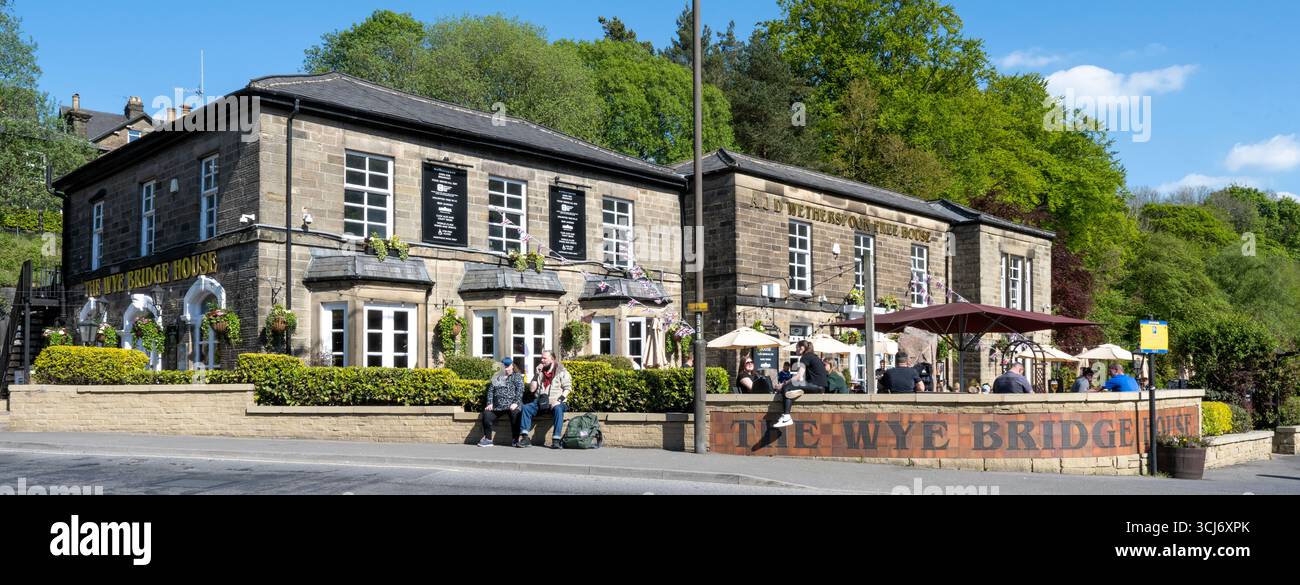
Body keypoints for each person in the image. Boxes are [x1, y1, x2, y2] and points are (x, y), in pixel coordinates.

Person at [519, 350, 573, 448]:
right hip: (541, 401)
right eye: (541, 358)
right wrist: (536, 374)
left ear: (552, 359)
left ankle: (556, 440)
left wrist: (559, 400)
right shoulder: (540, 372)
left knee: (558, 409)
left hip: (556, 402)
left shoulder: (562, 371)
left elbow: (568, 388)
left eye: (544, 358)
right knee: (526, 408)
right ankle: (525, 438)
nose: (542, 360)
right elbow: (532, 389)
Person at [774, 340, 827, 428]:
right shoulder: (813, 356)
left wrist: (783, 385)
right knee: (791, 389)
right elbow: (802, 378)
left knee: (787, 387)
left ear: (802, 348)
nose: (795, 350)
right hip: (820, 387)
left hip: (816, 386)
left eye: (796, 348)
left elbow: (798, 376)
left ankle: (786, 416)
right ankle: (798, 391)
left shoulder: (805, 357)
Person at [477, 357, 524, 447]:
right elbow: (491, 391)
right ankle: (488, 439)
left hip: (512, 405)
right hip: (498, 406)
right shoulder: (497, 376)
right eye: (504, 367)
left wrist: (515, 403)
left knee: (516, 414)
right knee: (487, 414)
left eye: (507, 367)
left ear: (512, 366)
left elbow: (520, 391)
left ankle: (515, 439)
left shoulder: (517, 376)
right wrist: (490, 403)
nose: (506, 369)